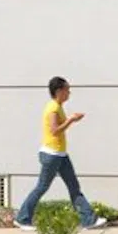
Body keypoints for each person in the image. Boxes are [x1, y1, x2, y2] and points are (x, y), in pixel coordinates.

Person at [17, 77, 101, 226]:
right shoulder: (53, 108)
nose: (69, 92)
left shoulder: (58, 106)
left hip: (60, 154)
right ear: (59, 91)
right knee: (42, 187)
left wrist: (70, 120)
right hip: (52, 154)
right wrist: (71, 120)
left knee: (73, 187)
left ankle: (88, 219)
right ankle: (22, 218)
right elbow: (54, 130)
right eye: (67, 89)